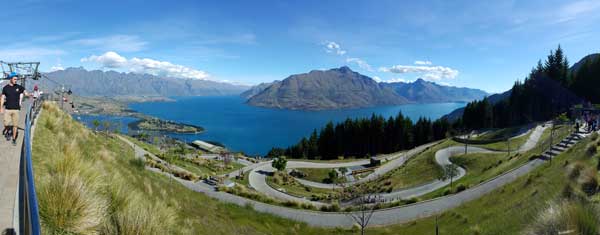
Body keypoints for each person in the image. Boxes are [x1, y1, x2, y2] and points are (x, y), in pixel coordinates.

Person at [1, 72, 29, 145]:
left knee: (15, 125)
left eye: (16, 79)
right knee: (6, 124)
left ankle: (13, 139)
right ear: (10, 79)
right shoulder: (5, 88)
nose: (16, 80)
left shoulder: (19, 87)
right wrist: (1, 108)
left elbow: (25, 92)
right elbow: (2, 98)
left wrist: (28, 94)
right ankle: (7, 131)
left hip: (16, 110)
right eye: (14, 79)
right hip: (7, 109)